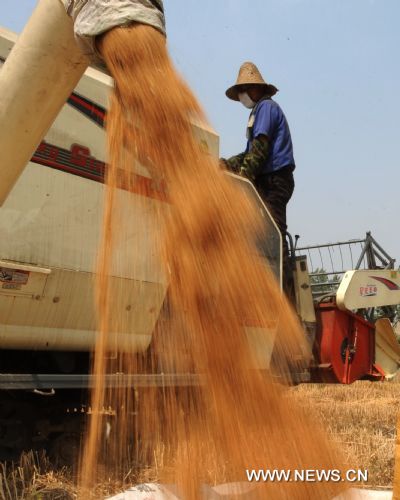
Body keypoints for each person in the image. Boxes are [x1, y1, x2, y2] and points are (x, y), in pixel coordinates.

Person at [220, 61, 295, 295]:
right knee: (257, 234)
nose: (242, 96)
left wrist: (243, 180)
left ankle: (284, 296)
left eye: (244, 90)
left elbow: (260, 150)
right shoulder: (256, 113)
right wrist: (225, 165)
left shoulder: (266, 108)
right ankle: (262, 288)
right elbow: (248, 154)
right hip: (267, 180)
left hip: (275, 180)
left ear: (255, 88)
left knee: (273, 233)